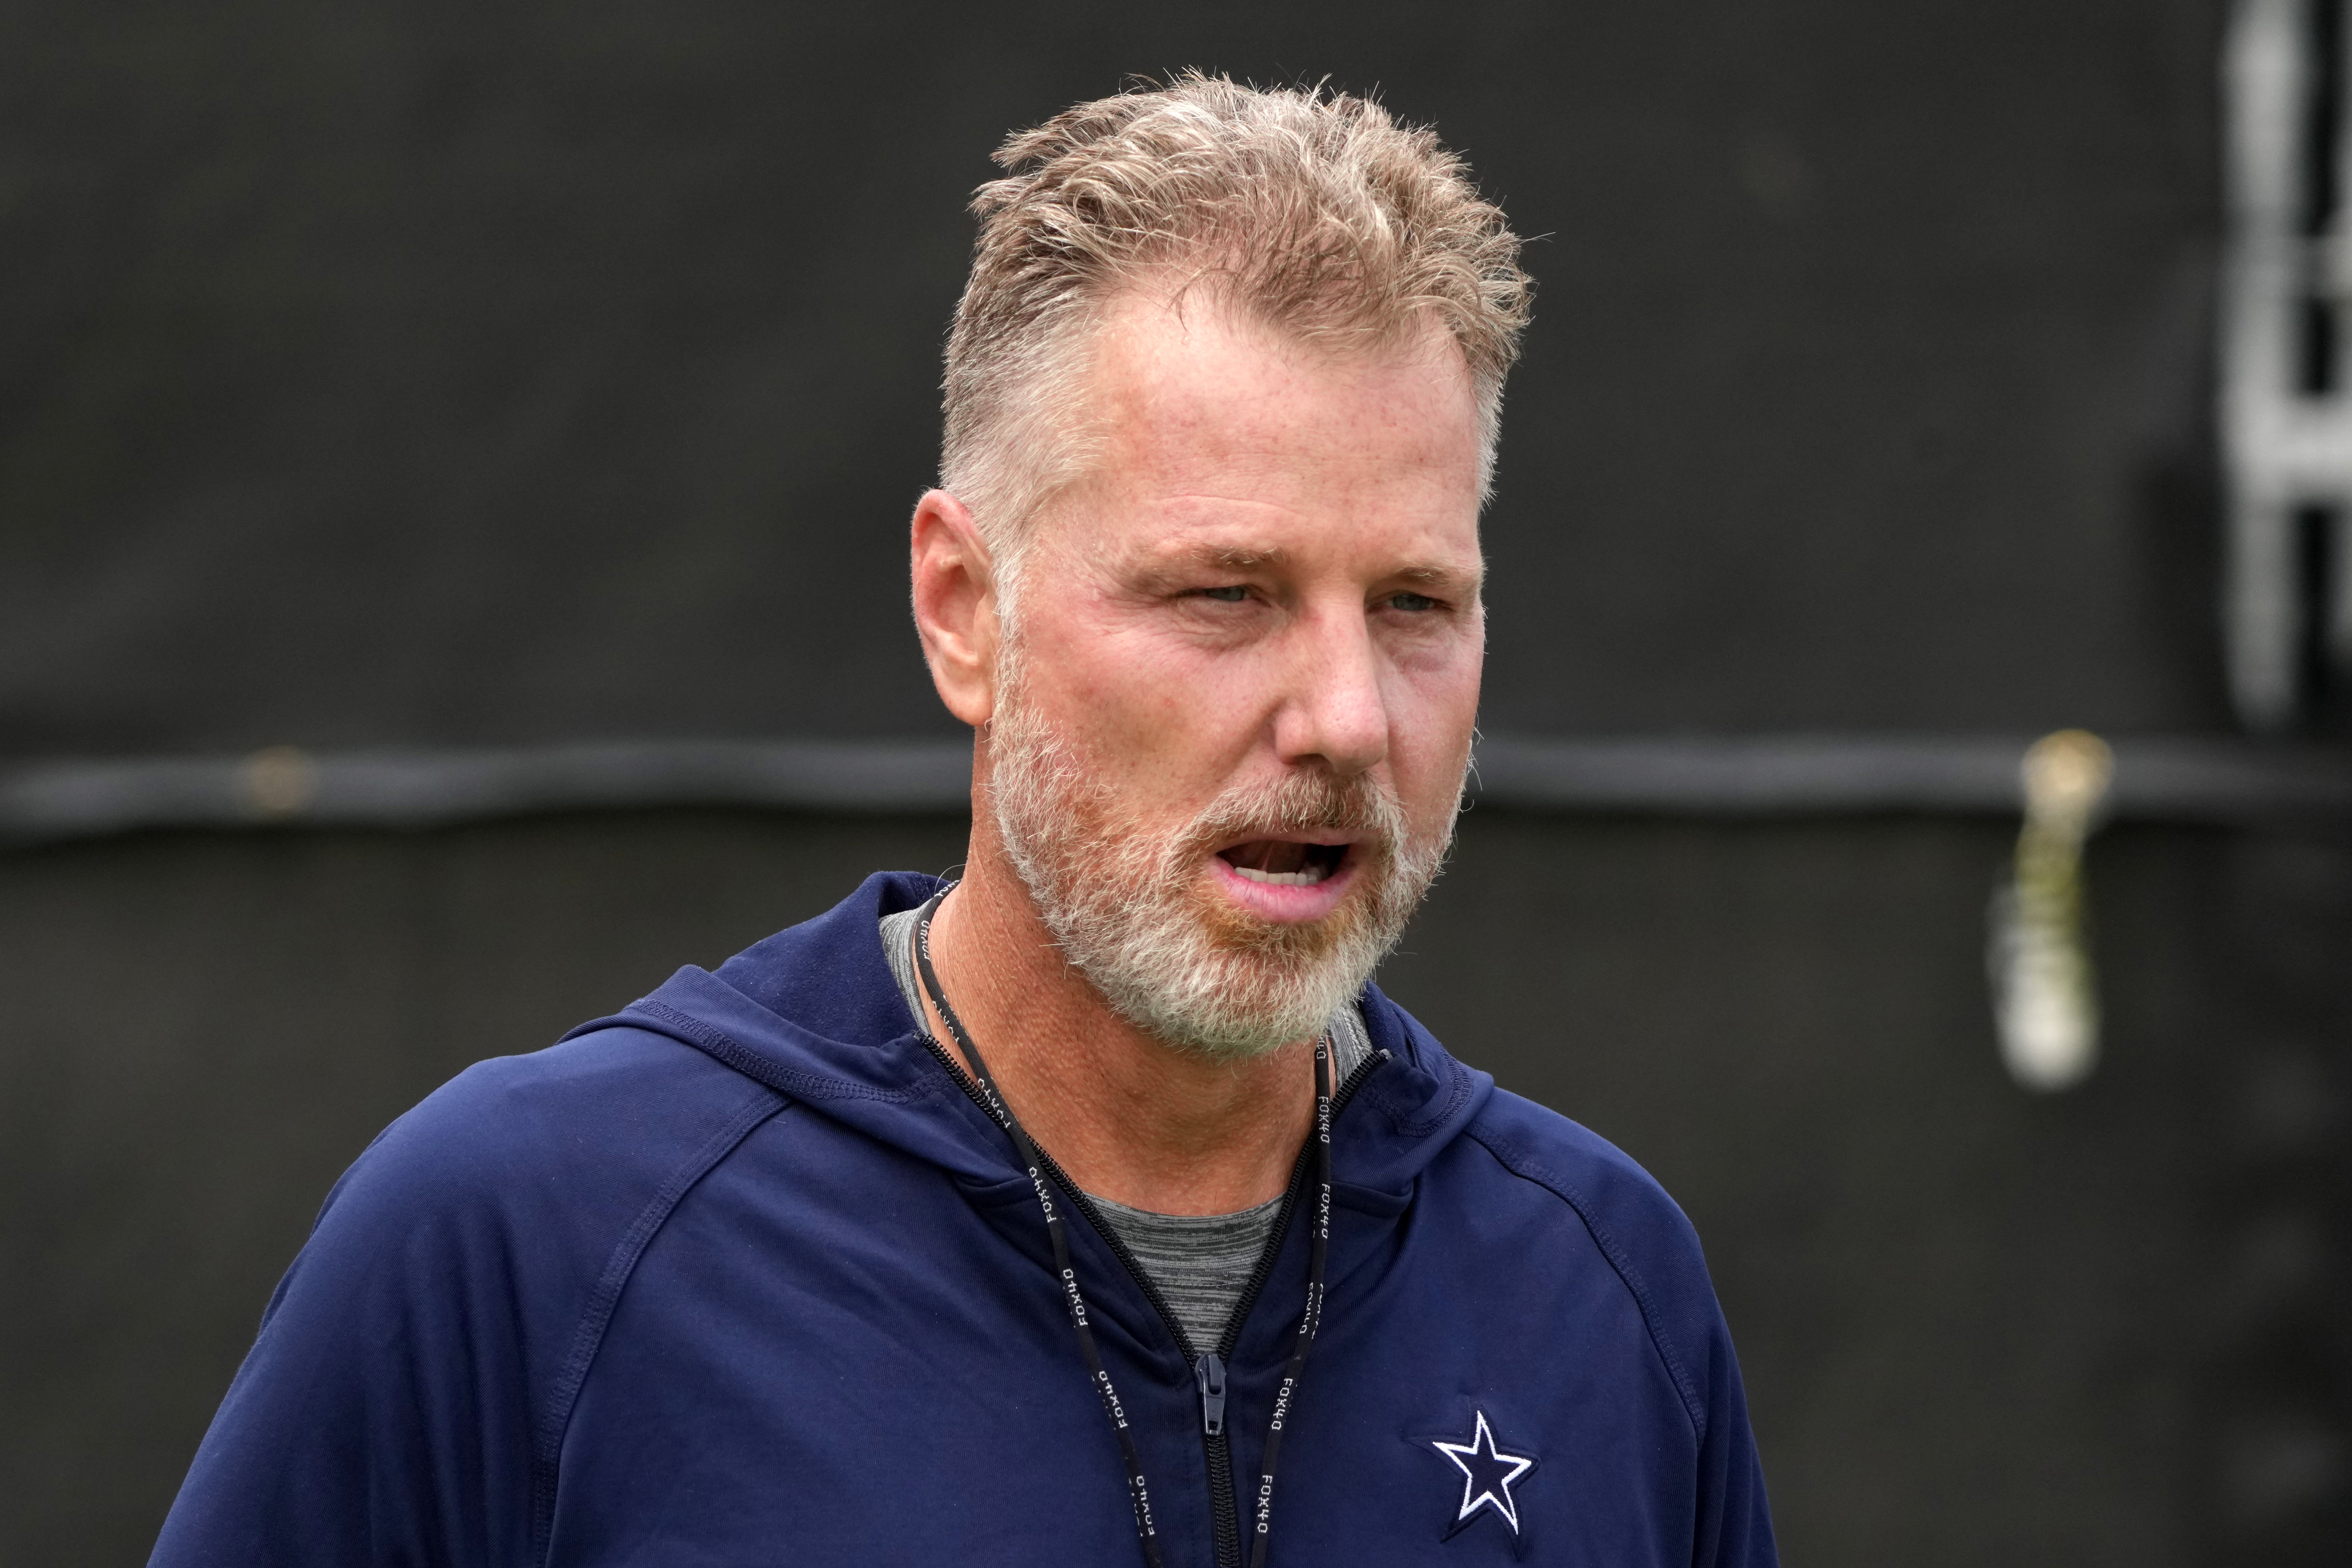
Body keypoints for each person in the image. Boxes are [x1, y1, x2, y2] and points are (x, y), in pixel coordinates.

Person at [151, 75, 1776, 1567]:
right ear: (963, 610)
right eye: (1226, 592)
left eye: (1416, 601)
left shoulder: (1602, 1290)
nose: (1346, 716)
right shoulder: (531, 1246)